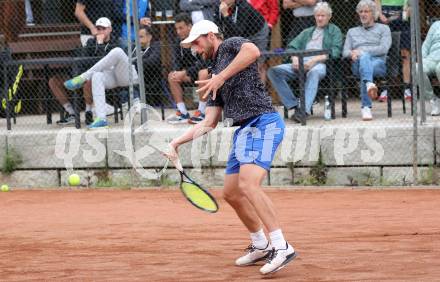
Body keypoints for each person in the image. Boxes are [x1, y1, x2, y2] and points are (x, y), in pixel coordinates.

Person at [164, 20, 296, 275]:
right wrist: (175, 143)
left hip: (264, 122)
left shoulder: (231, 45)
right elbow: (210, 122)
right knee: (232, 193)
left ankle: (282, 246)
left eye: (197, 42)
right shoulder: (213, 73)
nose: (195, 48)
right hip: (243, 130)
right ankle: (261, 245)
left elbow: (254, 52)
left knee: (248, 184)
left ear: (210, 35)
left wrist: (220, 77)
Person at [64, 25, 160, 129]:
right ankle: (101, 119)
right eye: (137, 36)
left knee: (118, 51)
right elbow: (122, 61)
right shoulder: (132, 47)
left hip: (136, 77)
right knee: (97, 75)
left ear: (149, 37)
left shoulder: (156, 46)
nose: (138, 39)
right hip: (120, 75)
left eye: (141, 36)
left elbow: (151, 62)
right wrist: (125, 62)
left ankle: (83, 77)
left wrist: (129, 62)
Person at [267, 2, 342, 123]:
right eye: (317, 15)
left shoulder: (334, 30)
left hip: (321, 63)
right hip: (301, 61)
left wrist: (314, 60)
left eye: (323, 15)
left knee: (314, 72)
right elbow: (291, 47)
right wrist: (295, 59)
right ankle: (293, 104)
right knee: (273, 71)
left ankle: (303, 111)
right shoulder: (307, 32)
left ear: (329, 16)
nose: (320, 18)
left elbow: (336, 51)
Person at [51, 17, 117, 125]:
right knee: (54, 81)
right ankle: (71, 113)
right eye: (98, 28)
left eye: (103, 28)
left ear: (110, 29)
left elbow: (104, 63)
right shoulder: (91, 42)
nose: (100, 31)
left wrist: (100, 44)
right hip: (84, 74)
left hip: (104, 77)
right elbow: (84, 60)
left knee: (90, 81)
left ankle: (88, 112)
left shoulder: (115, 43)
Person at [342, 0, 391, 121]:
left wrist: (361, 51)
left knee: (364, 57)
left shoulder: (384, 29)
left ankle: (366, 107)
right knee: (364, 59)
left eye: (366, 11)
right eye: (361, 12)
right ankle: (369, 85)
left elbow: (384, 48)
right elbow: (345, 52)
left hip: (378, 63)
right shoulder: (352, 32)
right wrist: (352, 53)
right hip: (357, 65)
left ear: (373, 13)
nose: (363, 14)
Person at [167, 13, 210, 124]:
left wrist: (185, 72)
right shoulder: (178, 41)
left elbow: (204, 63)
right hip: (189, 74)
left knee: (203, 73)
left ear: (190, 26)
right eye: (176, 28)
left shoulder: (200, 38)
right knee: (171, 76)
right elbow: (176, 61)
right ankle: (183, 113)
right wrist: (177, 72)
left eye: (181, 28)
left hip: (207, 72)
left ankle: (201, 112)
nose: (178, 31)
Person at [376, 0, 412, 102]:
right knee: (386, 54)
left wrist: (401, 14)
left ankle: (407, 89)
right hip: (385, 14)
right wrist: (380, 14)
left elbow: (410, 9)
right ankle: (385, 89)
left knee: (405, 55)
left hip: (402, 21)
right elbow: (377, 2)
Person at [420, 20, 440, 116]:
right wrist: (422, 59)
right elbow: (426, 45)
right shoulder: (436, 25)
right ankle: (434, 100)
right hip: (431, 58)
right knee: (417, 68)